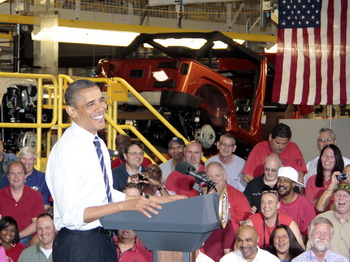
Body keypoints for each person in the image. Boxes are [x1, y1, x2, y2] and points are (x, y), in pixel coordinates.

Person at [45, 79, 183, 262]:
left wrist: (155, 201)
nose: (100, 107)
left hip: (102, 238)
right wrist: (126, 205)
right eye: (90, 104)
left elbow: (106, 195)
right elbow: (72, 216)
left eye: (101, 100)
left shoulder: (98, 143)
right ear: (71, 111)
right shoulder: (66, 150)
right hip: (78, 245)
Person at [242, 123, 306, 184]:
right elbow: (247, 176)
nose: (281, 147)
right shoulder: (259, 148)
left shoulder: (293, 148)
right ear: (270, 137)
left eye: (284, 143)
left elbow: (300, 176)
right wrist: (261, 189)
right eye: (277, 143)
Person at [0, 161, 44, 246]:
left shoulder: (36, 195)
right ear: (8, 176)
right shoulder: (1, 195)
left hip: (28, 239)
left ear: (25, 176)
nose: (16, 177)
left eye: (19, 173)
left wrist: (17, 236)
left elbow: (36, 223)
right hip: (5, 238)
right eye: (12, 173)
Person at [0, 147, 51, 211]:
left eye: (30, 159)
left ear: (34, 161)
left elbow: (45, 205)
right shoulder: (8, 176)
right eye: (24, 158)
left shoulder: (43, 178)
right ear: (19, 160)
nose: (27, 162)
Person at [205, 162, 251, 231]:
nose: (213, 179)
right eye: (209, 176)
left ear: (225, 176)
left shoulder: (238, 196)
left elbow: (244, 225)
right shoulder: (202, 194)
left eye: (217, 176)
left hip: (230, 236)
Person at [114, 182, 152, 261]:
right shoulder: (107, 244)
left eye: (135, 199)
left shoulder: (150, 231)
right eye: (128, 198)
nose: (132, 202)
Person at [277, 166, 316, 237]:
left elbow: (309, 234)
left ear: (293, 184)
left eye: (285, 181)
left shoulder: (306, 205)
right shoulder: (275, 202)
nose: (281, 184)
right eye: (279, 180)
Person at [314, 182, 350, 258]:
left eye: (345, 195)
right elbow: (311, 249)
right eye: (337, 195)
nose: (341, 198)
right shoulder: (322, 219)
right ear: (333, 198)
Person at [305, 144, 344, 209]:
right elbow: (307, 206)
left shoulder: (342, 180)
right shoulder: (312, 180)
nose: (327, 159)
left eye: (332, 156)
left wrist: (317, 201)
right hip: (316, 218)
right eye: (324, 155)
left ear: (337, 159)